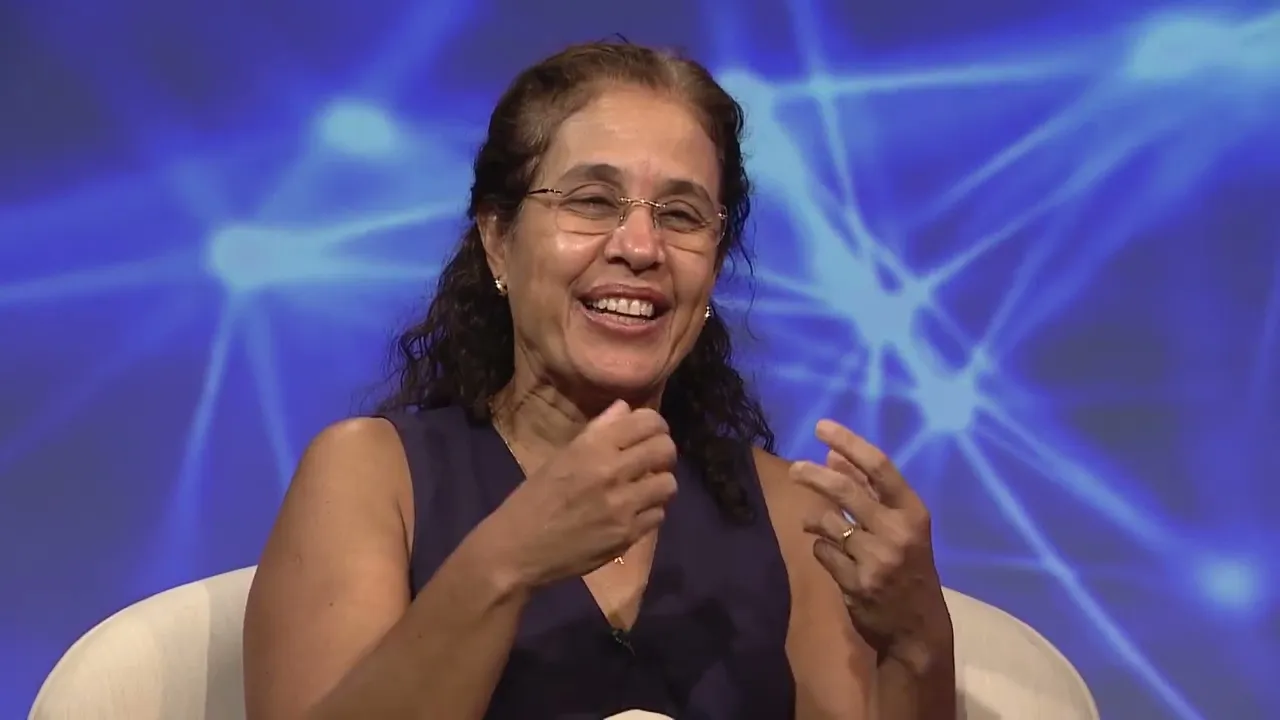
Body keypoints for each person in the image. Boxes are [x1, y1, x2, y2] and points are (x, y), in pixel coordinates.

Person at [243, 40, 956, 720]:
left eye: (681, 216)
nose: (640, 248)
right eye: (591, 201)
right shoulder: (371, 477)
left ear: (713, 268)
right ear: (498, 239)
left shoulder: (789, 514)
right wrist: (505, 563)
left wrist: (918, 640)